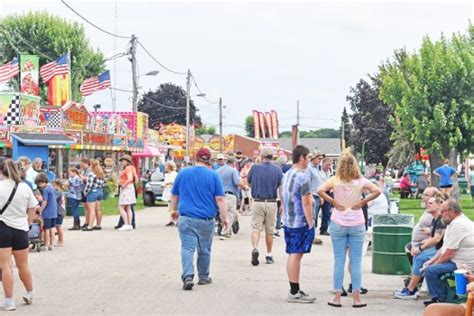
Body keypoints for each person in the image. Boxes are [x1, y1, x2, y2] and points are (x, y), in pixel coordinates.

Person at [318, 149, 381, 308]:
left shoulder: (335, 180)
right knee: (356, 262)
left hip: (338, 221)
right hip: (357, 222)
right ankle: (357, 298)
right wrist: (362, 202)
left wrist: (333, 202)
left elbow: (320, 190)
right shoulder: (360, 181)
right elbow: (377, 190)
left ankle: (337, 297)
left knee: (339, 261)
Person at [170, 148, 228, 290]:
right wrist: (224, 217)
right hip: (206, 219)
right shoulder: (214, 176)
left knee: (187, 248)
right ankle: (203, 277)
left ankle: (188, 276)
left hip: (187, 218)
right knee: (205, 248)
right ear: (208, 160)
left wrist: (173, 210)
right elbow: (220, 199)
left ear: (195, 158)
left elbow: (175, 195)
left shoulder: (183, 173)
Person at [0, 159, 38, 311]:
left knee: (5, 266)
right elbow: (32, 208)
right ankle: (30, 293)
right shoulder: (25, 187)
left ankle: (9, 301)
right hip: (21, 229)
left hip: (2, 228)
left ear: (1, 171)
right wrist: (28, 223)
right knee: (23, 265)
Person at [421, 199, 474, 306]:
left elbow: (449, 253)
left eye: (443, 211)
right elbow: (443, 248)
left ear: (452, 211)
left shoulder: (459, 224)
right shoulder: (452, 223)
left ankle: (441, 301)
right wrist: (431, 261)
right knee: (429, 265)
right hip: (456, 261)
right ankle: (439, 298)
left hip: (463, 265)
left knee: (430, 271)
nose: (440, 214)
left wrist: (432, 266)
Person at [394, 193, 447, 299]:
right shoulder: (435, 219)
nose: (428, 204)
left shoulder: (441, 220)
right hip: (439, 249)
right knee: (417, 254)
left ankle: (411, 290)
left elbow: (437, 239)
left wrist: (420, 248)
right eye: (427, 203)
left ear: (439, 205)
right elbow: (433, 237)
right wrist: (421, 245)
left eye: (431, 203)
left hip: (445, 251)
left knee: (420, 258)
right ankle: (412, 286)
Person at [281, 145, 316, 303]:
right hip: (299, 221)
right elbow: (306, 202)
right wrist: (311, 223)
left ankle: (294, 287)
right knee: (296, 254)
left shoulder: (287, 174)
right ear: (301, 157)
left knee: (293, 253)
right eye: (308, 158)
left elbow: (282, 194)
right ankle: (294, 291)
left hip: (289, 219)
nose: (308, 161)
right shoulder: (302, 177)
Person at [247, 148, 283, 266]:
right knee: (270, 231)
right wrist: (282, 203)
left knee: (255, 228)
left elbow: (248, 183)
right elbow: (280, 188)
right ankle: (268, 254)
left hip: (257, 201)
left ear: (262, 157)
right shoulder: (277, 169)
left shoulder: (254, 168)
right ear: (272, 157)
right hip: (272, 202)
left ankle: (255, 248)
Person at [217, 155, 248, 240]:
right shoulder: (233, 171)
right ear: (234, 163)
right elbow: (237, 182)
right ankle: (225, 232)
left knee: (223, 213)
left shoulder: (218, 170)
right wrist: (244, 187)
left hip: (219, 195)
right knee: (231, 213)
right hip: (230, 194)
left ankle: (226, 230)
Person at [305, 150, 324, 245]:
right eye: (319, 158)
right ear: (313, 158)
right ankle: (310, 236)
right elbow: (307, 182)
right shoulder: (309, 168)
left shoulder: (317, 169)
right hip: (311, 195)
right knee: (311, 216)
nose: (320, 160)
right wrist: (310, 195)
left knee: (315, 216)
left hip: (317, 195)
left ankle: (311, 235)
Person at [35, 173, 57, 251]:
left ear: (43, 181)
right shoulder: (52, 187)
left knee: (46, 229)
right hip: (54, 211)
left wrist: (41, 209)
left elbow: (45, 201)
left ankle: (46, 245)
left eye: (39, 184)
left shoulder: (45, 190)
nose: (39, 186)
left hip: (47, 212)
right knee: (52, 228)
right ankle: (52, 244)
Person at [82, 159, 105, 231]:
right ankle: (98, 225)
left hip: (93, 192)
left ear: (91, 165)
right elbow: (104, 184)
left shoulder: (91, 174)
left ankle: (90, 226)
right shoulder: (101, 173)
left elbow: (89, 185)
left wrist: (85, 193)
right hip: (100, 191)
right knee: (98, 209)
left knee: (91, 210)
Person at [118, 155, 136, 231]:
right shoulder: (132, 168)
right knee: (128, 207)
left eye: (123, 161)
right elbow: (135, 178)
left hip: (126, 188)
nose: (122, 162)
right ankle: (129, 224)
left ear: (127, 161)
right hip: (131, 187)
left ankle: (126, 224)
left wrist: (123, 185)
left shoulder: (128, 168)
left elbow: (130, 178)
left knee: (121, 206)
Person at [318, 157, 333, 236]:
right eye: (327, 164)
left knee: (326, 213)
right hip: (319, 192)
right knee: (315, 212)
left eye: (330, 165)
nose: (328, 166)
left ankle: (324, 229)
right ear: (323, 163)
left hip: (328, 192)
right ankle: (313, 227)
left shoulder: (330, 172)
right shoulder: (319, 171)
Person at [164, 161, 179, 227]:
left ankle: (176, 220)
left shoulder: (175, 174)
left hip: (173, 192)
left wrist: (169, 183)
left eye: (166, 166)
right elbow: (165, 182)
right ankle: (171, 220)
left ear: (169, 166)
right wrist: (164, 184)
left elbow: (176, 183)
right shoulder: (166, 175)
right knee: (170, 206)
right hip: (168, 191)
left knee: (174, 206)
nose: (165, 167)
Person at [52, 180, 66, 246]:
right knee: (57, 226)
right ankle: (59, 239)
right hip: (59, 211)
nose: (52, 187)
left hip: (59, 211)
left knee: (58, 226)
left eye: (54, 185)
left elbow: (53, 198)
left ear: (58, 185)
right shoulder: (59, 191)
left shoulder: (59, 192)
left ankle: (61, 240)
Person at [79, 158, 91, 228]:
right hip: (82, 189)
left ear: (85, 163)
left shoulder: (89, 170)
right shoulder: (83, 170)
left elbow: (87, 179)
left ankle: (89, 221)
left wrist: (80, 176)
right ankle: (86, 221)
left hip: (87, 190)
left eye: (82, 163)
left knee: (88, 207)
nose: (81, 164)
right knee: (85, 207)